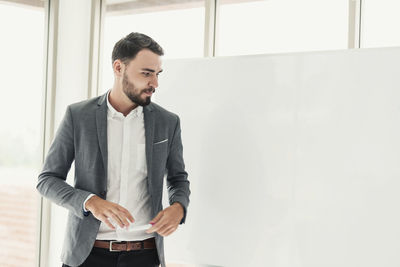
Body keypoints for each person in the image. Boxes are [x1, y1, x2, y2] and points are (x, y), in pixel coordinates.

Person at [36, 32, 190, 267]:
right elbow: (47, 180)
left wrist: (178, 206)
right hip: (86, 255)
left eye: (157, 74)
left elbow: (178, 179)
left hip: (144, 256)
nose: (155, 84)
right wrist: (90, 201)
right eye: (146, 73)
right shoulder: (78, 116)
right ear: (119, 67)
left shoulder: (168, 122)